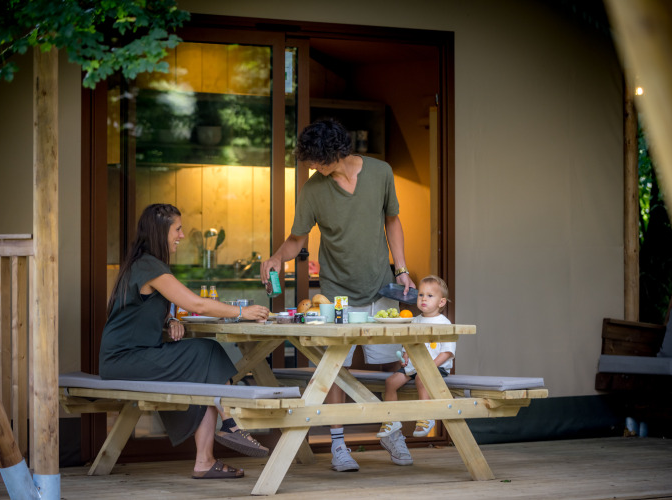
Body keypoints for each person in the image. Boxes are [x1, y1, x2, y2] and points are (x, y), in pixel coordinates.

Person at [260, 118, 417, 472]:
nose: (312, 167)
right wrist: (276, 258)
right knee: (334, 367)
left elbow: (392, 220)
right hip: (336, 292)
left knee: (391, 364)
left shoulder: (381, 173)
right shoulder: (313, 190)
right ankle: (338, 444)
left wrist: (402, 268)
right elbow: (297, 238)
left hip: (379, 285)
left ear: (335, 152)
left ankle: (392, 432)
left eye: (316, 160)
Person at [99, 203, 271, 479]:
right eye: (177, 229)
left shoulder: (143, 264)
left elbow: (141, 307)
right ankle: (229, 425)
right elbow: (196, 304)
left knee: (204, 360)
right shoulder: (150, 266)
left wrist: (169, 320)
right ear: (160, 231)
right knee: (206, 353)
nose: (181, 235)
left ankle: (210, 454)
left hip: (131, 356)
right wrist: (242, 312)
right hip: (125, 360)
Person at [377, 275, 454, 442]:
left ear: (441, 302)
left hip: (436, 367)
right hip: (413, 366)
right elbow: (408, 346)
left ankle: (426, 417)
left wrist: (429, 366)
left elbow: (447, 352)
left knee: (421, 378)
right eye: (421, 295)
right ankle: (391, 419)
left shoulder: (444, 324)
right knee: (390, 382)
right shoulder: (414, 321)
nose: (424, 299)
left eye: (430, 296)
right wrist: (404, 356)